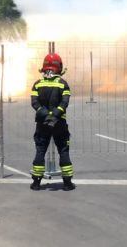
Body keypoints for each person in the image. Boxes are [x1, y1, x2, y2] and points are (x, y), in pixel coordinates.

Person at [29, 53, 75, 191]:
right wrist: (54, 115)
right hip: (59, 123)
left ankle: (36, 183)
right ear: (59, 67)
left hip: (42, 123)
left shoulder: (37, 84)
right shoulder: (63, 84)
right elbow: (64, 103)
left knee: (40, 150)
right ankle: (67, 183)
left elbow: (35, 103)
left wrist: (46, 115)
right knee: (63, 150)